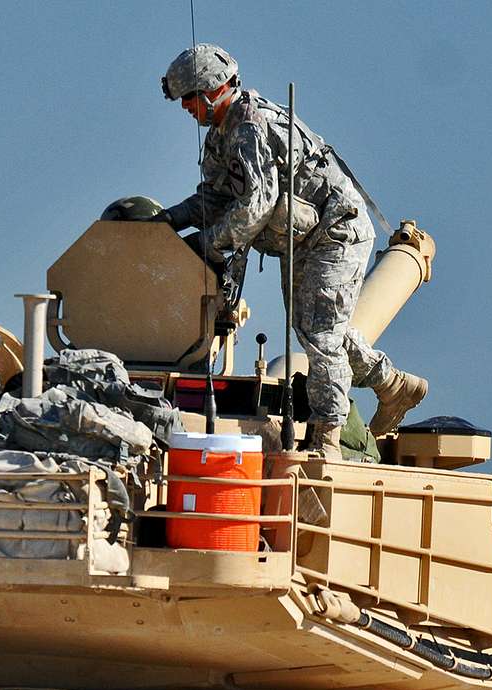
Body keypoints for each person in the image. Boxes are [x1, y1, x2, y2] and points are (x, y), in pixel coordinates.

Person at [158, 44, 428, 458]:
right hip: (301, 238)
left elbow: (255, 206)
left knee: (320, 336)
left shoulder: (251, 126)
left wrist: (206, 243)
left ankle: (327, 439)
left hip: (336, 230)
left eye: (189, 99)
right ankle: (391, 383)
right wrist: (164, 223)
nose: (186, 109)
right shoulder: (220, 137)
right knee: (314, 327)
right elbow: (213, 199)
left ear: (212, 90)